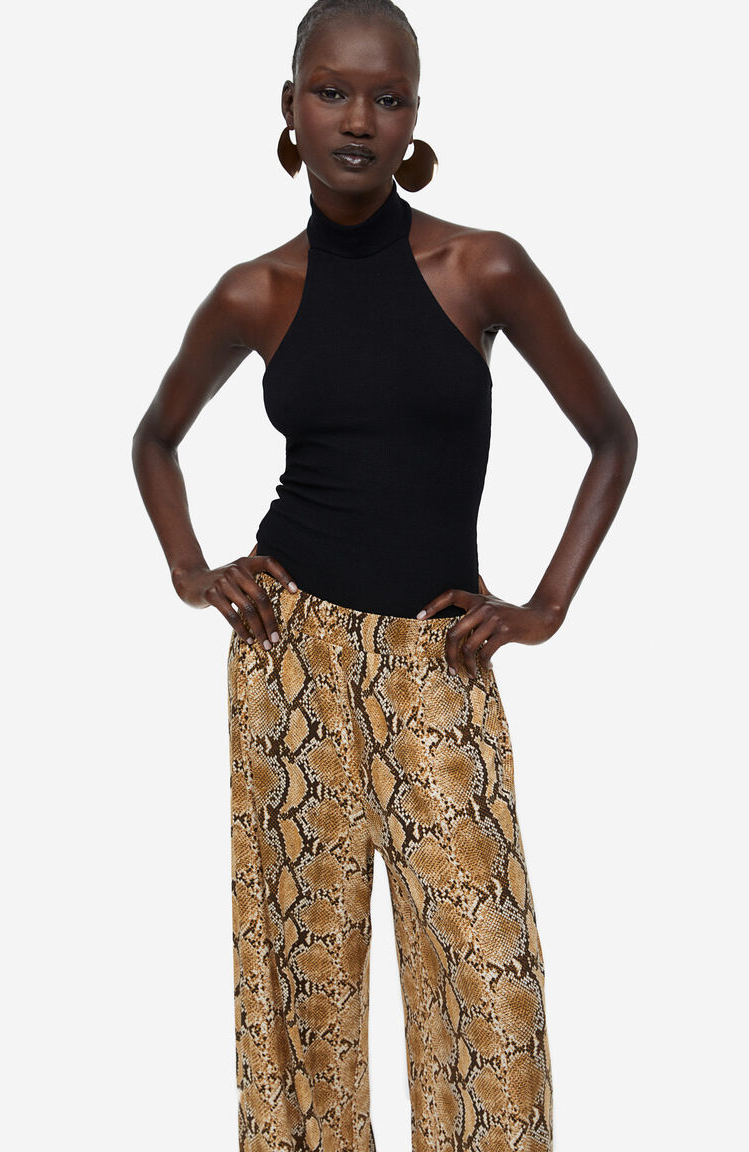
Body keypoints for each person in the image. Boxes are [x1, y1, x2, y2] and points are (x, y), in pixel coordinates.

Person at [131, 1, 638, 1148]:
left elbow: (612, 436)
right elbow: (154, 439)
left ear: (414, 118)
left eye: (387, 97)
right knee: (302, 991)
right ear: (291, 108)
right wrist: (190, 570)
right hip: (288, 661)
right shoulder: (255, 292)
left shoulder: (481, 267)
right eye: (332, 92)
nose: (358, 119)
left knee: (487, 985)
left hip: (436, 658)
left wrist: (546, 606)